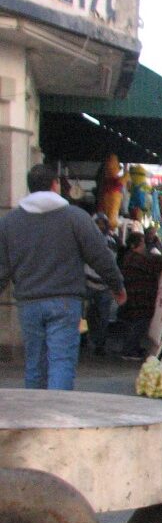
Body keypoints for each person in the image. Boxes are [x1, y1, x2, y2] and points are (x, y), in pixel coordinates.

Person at [0, 164, 125, 389]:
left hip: (28, 303)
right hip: (65, 301)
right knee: (61, 362)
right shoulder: (76, 218)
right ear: (55, 185)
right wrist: (117, 285)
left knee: (34, 364)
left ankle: (36, 417)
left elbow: (2, 267)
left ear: (30, 188)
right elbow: (100, 256)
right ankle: (58, 417)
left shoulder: (10, 222)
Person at [118, 231, 162, 359]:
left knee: (134, 324)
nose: (144, 246)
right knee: (138, 324)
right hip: (138, 298)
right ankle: (129, 350)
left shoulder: (128, 257)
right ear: (135, 245)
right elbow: (155, 263)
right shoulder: (136, 259)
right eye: (142, 243)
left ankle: (132, 348)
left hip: (134, 297)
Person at [84, 214, 120, 356]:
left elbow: (112, 261)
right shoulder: (86, 240)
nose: (100, 226)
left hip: (103, 284)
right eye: (97, 223)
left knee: (102, 316)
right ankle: (85, 340)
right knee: (86, 315)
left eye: (102, 223)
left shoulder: (110, 241)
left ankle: (99, 343)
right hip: (88, 282)